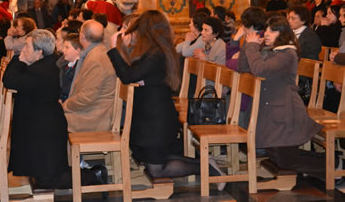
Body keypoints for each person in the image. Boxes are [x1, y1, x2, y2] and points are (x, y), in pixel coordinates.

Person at [107, 10, 225, 188]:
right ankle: (203, 161)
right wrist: (124, 48)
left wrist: (113, 49)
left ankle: (205, 167)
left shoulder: (157, 53)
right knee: (144, 156)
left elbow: (128, 76)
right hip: (148, 115)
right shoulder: (153, 50)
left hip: (156, 117)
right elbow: (134, 71)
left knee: (157, 169)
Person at [2, 30, 104, 189]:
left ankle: (93, 175)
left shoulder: (43, 69)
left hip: (46, 130)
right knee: (44, 175)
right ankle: (88, 174)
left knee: (49, 179)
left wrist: (19, 60)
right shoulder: (47, 63)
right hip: (42, 126)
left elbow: (10, 80)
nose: (23, 50)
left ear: (39, 52)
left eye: (27, 47)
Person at [237, 16, 325, 180]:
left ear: (283, 34)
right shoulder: (272, 52)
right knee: (276, 154)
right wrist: (246, 46)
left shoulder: (287, 54)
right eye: (267, 30)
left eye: (272, 30)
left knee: (286, 159)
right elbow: (243, 67)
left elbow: (260, 70)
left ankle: (334, 166)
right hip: (270, 110)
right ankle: (328, 165)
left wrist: (252, 47)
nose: (267, 33)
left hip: (285, 111)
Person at [62, 20, 116, 133]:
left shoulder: (95, 59)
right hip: (89, 110)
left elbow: (86, 98)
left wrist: (65, 105)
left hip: (93, 117)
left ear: (82, 36)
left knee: (48, 120)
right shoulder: (97, 52)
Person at [58, 33, 82, 102]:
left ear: (78, 50)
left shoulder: (79, 68)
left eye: (67, 47)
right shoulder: (65, 66)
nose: (63, 50)